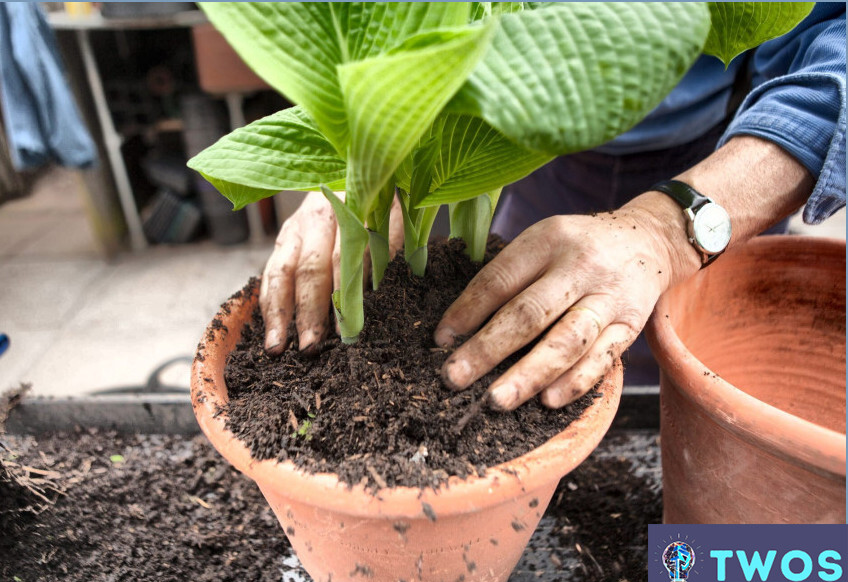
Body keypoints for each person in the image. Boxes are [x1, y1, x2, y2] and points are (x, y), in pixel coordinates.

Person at [258, 4, 846, 411]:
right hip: (524, 156)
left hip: (726, 162)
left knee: (703, 391)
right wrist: (362, 154)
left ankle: (702, 573)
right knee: (524, 319)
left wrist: (669, 231)